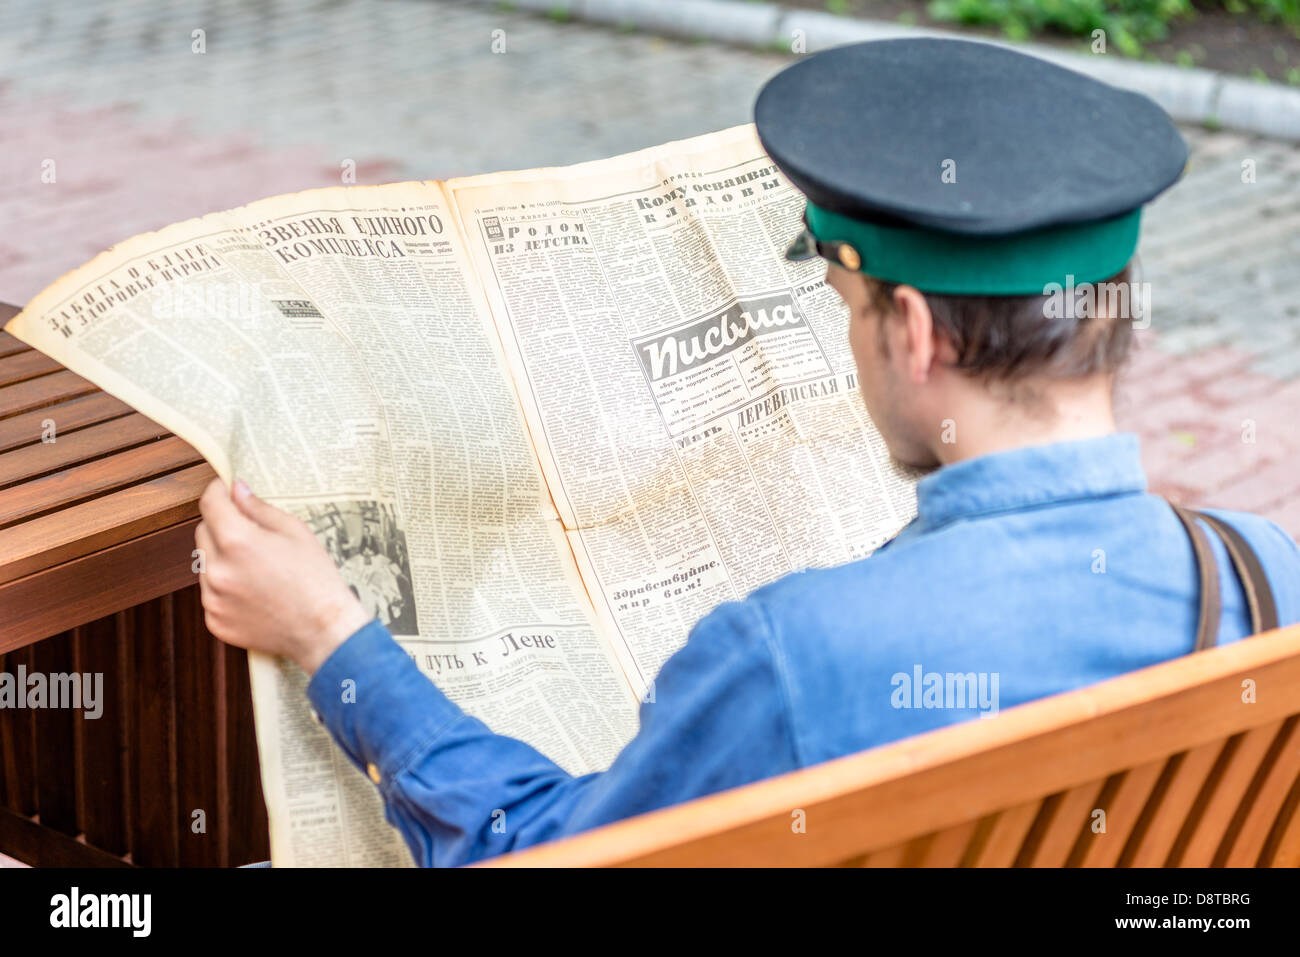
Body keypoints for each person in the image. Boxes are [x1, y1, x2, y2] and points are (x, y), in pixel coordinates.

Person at [194, 38, 1300, 867]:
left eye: (845, 301)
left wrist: (332, 639)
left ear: (912, 332)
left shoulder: (791, 658)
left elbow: (535, 858)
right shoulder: (1266, 576)